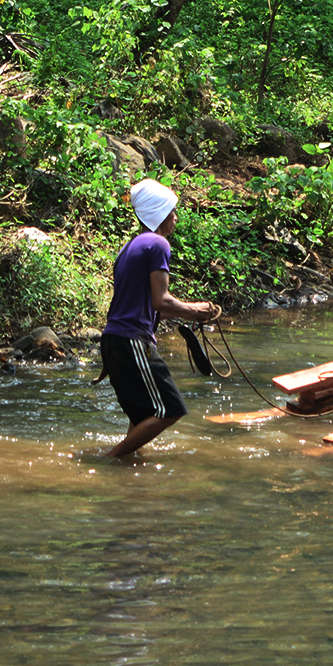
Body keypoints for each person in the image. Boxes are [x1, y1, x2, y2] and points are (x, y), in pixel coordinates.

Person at [99, 179, 221, 459]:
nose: (176, 218)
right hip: (131, 341)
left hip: (115, 340)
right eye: (172, 212)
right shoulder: (157, 244)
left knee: (142, 413)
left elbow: (146, 307)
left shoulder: (128, 249)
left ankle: (128, 472)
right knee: (170, 409)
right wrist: (195, 310)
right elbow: (160, 300)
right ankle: (111, 460)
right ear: (159, 212)